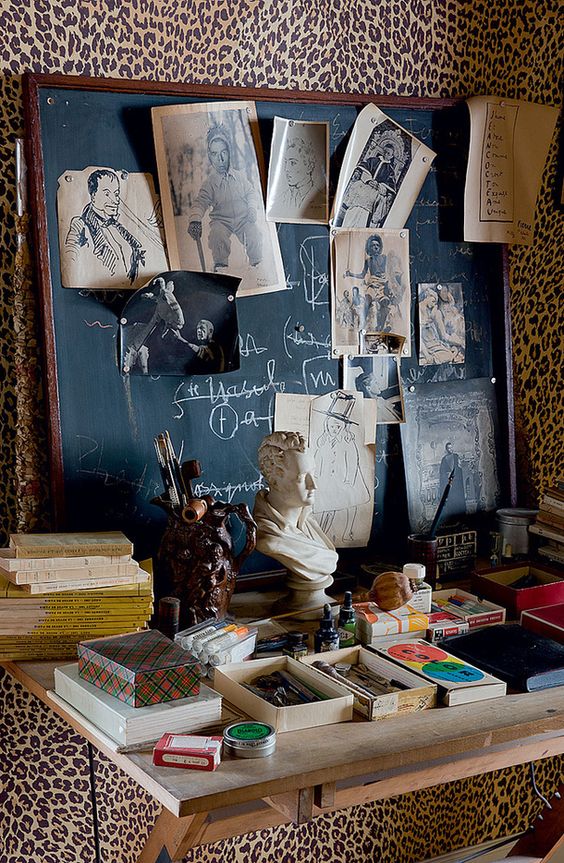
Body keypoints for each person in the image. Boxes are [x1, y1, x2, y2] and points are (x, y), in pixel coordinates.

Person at [253, 431, 338, 609]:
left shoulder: (308, 520)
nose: (313, 485)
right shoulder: (269, 538)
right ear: (275, 480)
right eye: (302, 478)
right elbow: (268, 544)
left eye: (313, 474)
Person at [188, 125, 262, 272]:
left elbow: (251, 193)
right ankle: (221, 266)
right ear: (210, 157)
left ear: (229, 153)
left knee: (254, 234)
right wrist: (195, 219)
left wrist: (252, 208)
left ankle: (257, 264)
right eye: (215, 154)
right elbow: (200, 202)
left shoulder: (240, 177)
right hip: (222, 221)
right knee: (217, 235)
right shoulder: (210, 183)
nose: (220, 159)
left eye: (223, 152)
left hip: (243, 218)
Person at [65, 168, 145, 284]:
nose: (115, 201)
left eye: (116, 194)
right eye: (107, 194)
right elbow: (70, 269)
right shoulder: (80, 226)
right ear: (93, 196)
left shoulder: (119, 228)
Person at [282, 136, 317, 210]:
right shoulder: (283, 198)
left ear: (309, 167)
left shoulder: (320, 198)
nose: (286, 169)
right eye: (286, 162)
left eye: (293, 163)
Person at [438, 441, 466, 520]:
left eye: (451, 447)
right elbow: (442, 471)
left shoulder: (456, 456)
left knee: (458, 498)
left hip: (457, 482)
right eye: (449, 448)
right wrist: (447, 474)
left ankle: (461, 516)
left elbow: (460, 467)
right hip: (449, 482)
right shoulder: (444, 459)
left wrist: (460, 466)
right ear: (446, 449)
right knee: (451, 498)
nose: (451, 449)